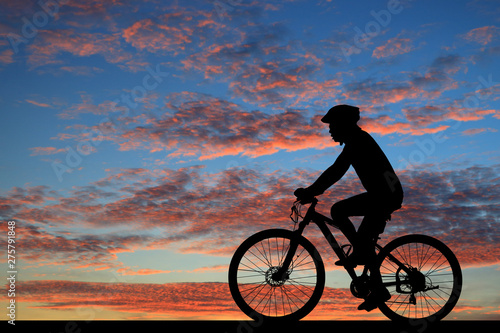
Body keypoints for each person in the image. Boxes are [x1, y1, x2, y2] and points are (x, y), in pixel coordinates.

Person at [294, 104, 404, 311]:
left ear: (343, 123)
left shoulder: (358, 141)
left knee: (339, 211)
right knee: (363, 240)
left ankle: (363, 259)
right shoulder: (356, 141)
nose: (330, 129)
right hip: (383, 195)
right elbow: (335, 170)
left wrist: (311, 191)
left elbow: (336, 171)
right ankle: (376, 285)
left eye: (332, 124)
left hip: (385, 196)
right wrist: (313, 190)